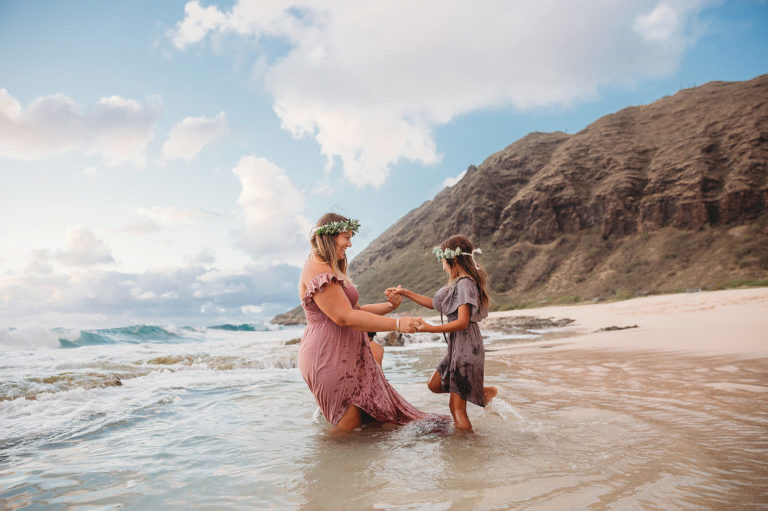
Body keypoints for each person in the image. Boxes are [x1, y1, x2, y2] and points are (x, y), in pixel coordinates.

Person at [298, 213, 435, 432]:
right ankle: (324, 465)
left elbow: (356, 311)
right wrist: (397, 325)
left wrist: (390, 307)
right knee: (347, 431)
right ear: (329, 236)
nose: (350, 244)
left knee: (364, 429)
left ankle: (353, 467)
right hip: (329, 356)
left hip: (345, 355)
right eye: (346, 237)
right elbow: (344, 317)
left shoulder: (328, 268)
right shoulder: (317, 269)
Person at [386, 235, 497, 432]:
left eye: (443, 261)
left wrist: (430, 328)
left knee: (456, 409)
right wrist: (406, 293)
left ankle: (469, 453)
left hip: (466, 349)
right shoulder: (458, 283)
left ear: (453, 259)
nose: (442, 265)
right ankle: (480, 393)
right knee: (434, 384)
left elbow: (462, 322)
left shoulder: (465, 283)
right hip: (457, 348)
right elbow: (435, 304)